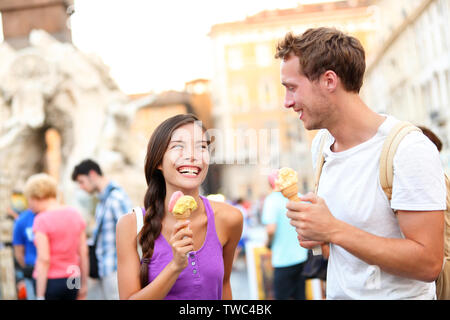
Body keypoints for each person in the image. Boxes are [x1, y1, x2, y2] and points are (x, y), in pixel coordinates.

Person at [275, 27, 446, 299]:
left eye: (292, 88)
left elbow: (428, 263)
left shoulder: (407, 148)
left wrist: (333, 229)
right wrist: (321, 236)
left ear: (329, 81)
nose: (287, 102)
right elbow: (351, 252)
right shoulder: (321, 145)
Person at [116, 114, 243, 300]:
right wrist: (175, 265)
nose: (192, 156)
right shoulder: (130, 225)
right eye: (178, 146)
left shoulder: (230, 218)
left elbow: (224, 285)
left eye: (201, 147)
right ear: (158, 161)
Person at [71, 159, 132, 300]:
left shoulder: (116, 198)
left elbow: (132, 234)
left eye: (81, 182)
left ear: (92, 174)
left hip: (116, 271)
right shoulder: (102, 202)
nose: (81, 187)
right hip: (104, 270)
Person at [23, 173, 88, 300]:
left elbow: (44, 259)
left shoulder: (41, 220)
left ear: (37, 196)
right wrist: (84, 285)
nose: (29, 206)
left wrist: (40, 295)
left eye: (29, 199)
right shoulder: (75, 214)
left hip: (51, 281)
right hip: (73, 278)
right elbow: (83, 253)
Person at [261, 177, 308, 300]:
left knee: (282, 297)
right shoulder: (300, 197)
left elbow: (271, 230)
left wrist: (268, 243)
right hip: (302, 255)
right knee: (300, 296)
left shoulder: (271, 200)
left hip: (283, 259)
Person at [12, 206, 38, 300]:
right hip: (31, 267)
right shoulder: (22, 220)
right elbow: (18, 251)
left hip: (55, 271)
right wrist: (26, 267)